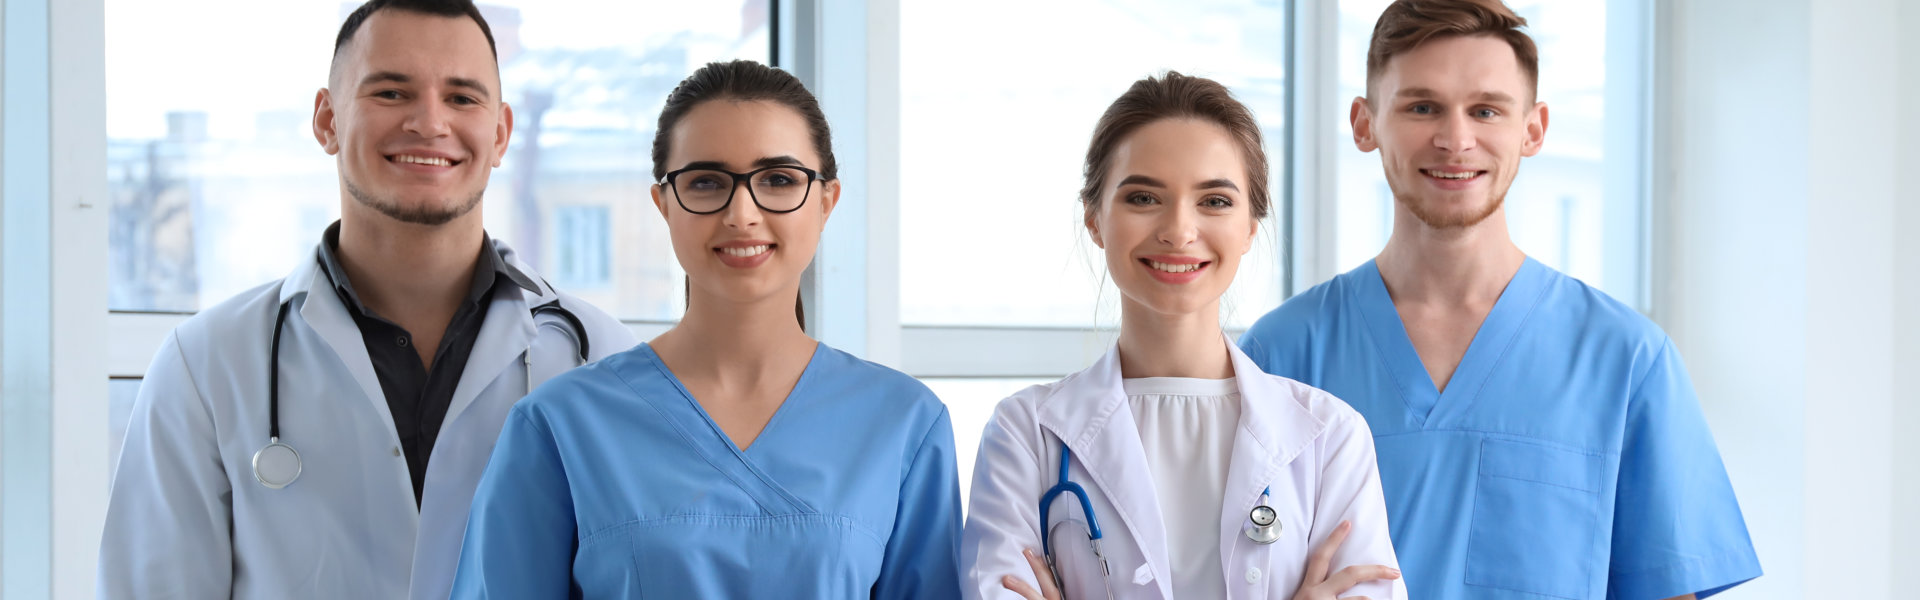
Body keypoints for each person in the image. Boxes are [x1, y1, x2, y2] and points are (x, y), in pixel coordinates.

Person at [96, 1, 636, 598]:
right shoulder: (205, 366)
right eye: (391, 93)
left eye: (462, 98)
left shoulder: (605, 362)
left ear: (501, 132)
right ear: (327, 119)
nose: (430, 123)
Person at [1237, 1, 1762, 599]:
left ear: (1533, 128)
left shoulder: (1627, 361)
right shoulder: (1279, 357)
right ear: (1365, 123)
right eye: (1422, 106)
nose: (1455, 139)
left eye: (1485, 110)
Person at [449, 59, 962, 599]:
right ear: (664, 203)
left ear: (826, 201)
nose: (742, 213)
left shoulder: (903, 424)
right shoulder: (560, 426)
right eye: (707, 182)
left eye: (779, 180)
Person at [962, 72, 1404, 600]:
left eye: (1214, 201)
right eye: (1144, 197)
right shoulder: (1025, 434)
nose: (1178, 230)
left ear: (1248, 228)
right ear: (1095, 219)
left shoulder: (1331, 437)